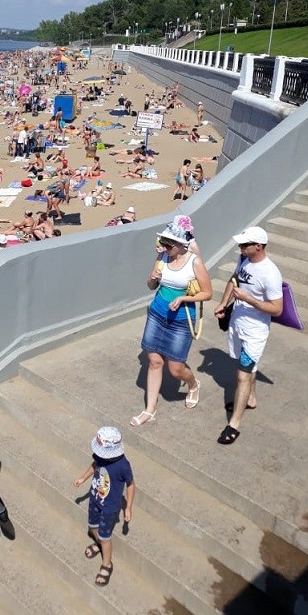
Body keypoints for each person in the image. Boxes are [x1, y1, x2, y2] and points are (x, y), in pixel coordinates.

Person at [131, 215, 212, 427]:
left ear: (180, 244)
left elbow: (207, 293)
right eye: (162, 243)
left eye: (168, 244)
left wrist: (183, 297)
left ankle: (193, 384)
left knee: (175, 369)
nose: (163, 247)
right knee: (155, 361)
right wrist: (153, 279)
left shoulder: (195, 262)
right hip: (157, 314)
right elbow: (150, 286)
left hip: (181, 320)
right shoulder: (162, 258)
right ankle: (150, 409)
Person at [214, 227, 283, 445]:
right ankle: (250, 399)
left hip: (255, 330)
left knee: (242, 375)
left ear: (258, 246)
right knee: (245, 367)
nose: (240, 247)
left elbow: (277, 309)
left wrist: (249, 299)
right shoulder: (244, 259)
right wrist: (223, 303)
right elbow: (234, 280)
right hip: (237, 322)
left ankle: (233, 424)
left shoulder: (270, 273)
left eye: (245, 245)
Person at [72, 426, 134, 588]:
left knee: (105, 537)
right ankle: (98, 544)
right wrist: (83, 478)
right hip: (95, 499)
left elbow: (131, 484)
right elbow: (94, 465)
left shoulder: (123, 465)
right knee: (93, 528)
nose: (99, 456)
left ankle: (107, 564)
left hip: (109, 507)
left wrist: (127, 507)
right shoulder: (100, 457)